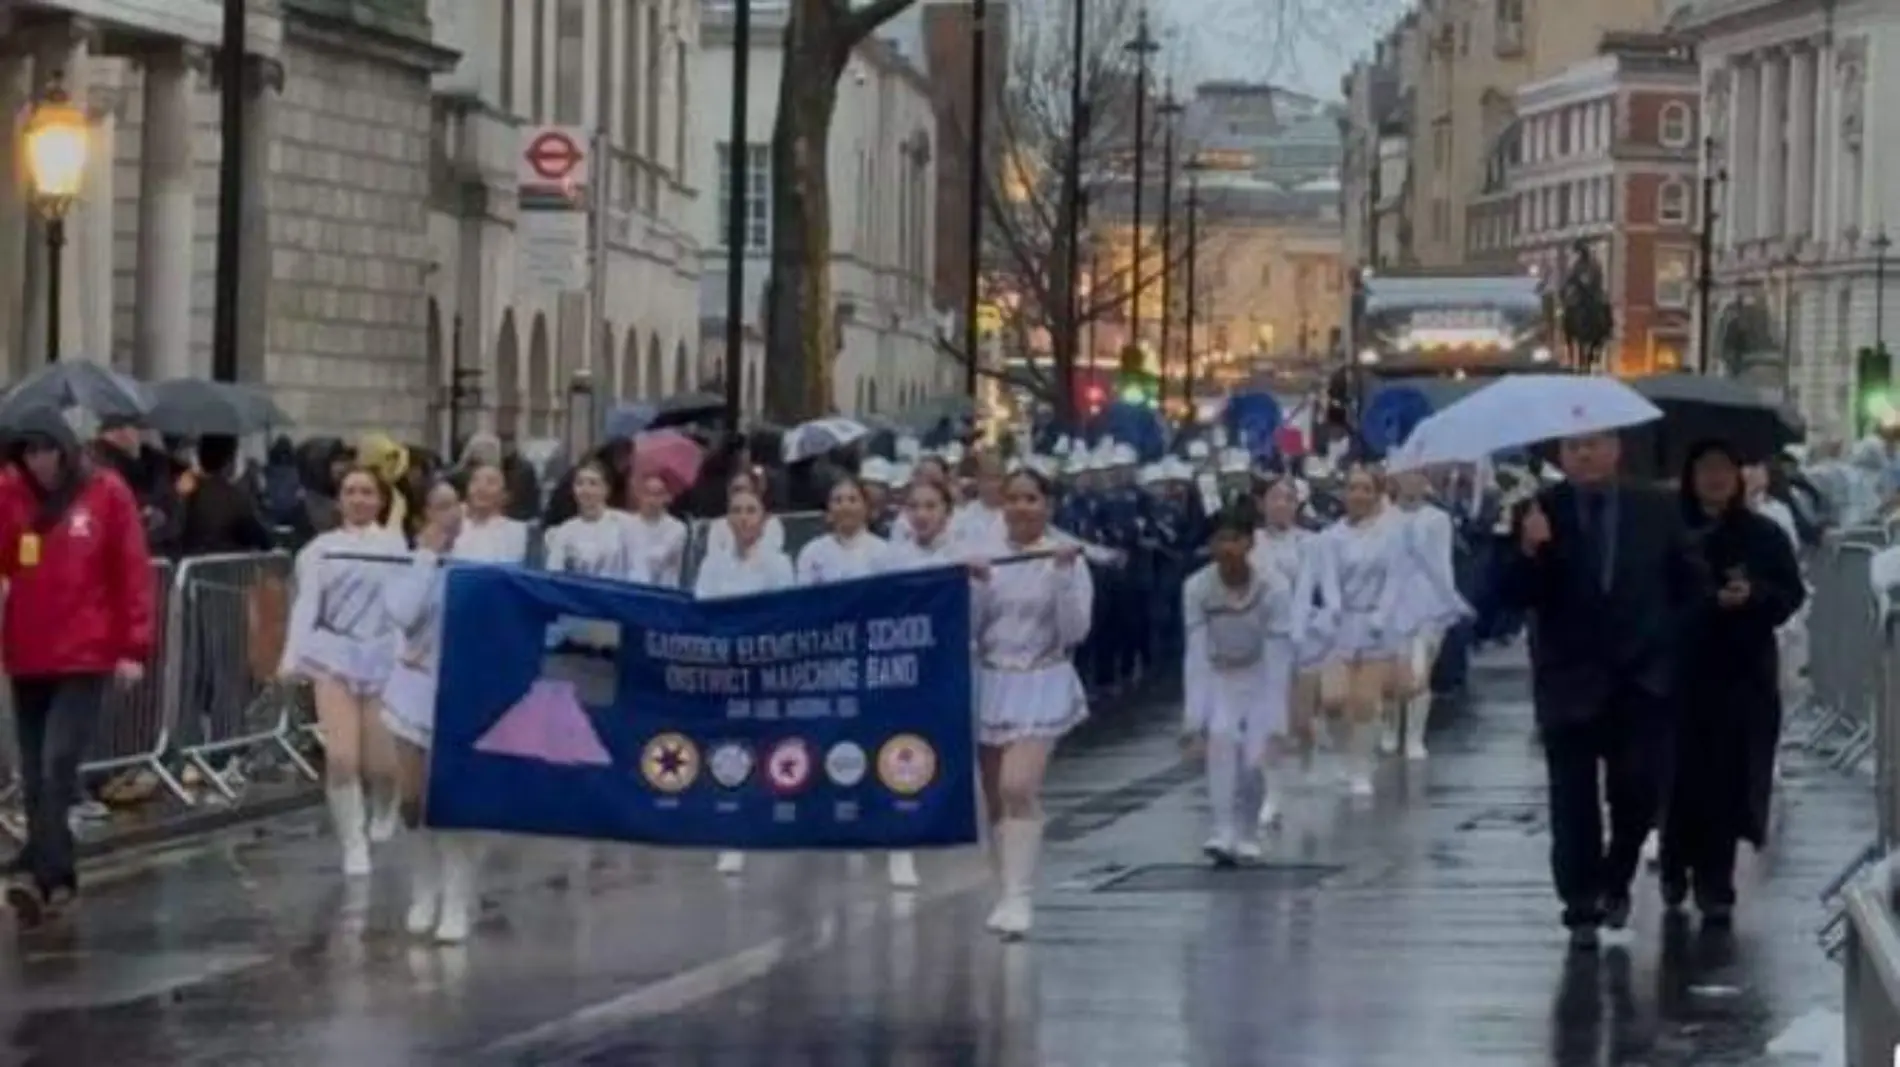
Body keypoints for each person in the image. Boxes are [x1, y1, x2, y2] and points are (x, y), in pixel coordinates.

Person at [1503, 430, 1698, 950]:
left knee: (1637, 789)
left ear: (1616, 448)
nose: (1584, 455)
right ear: (1561, 456)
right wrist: (1530, 551)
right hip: (1569, 677)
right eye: (1572, 447)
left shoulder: (1655, 508)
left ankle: (1619, 873)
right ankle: (1580, 897)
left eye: (1593, 445)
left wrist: (1670, 645)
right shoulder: (1540, 508)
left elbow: (1689, 582)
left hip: (1642, 676)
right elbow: (1511, 593)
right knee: (1572, 798)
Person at [0, 407, 155, 925]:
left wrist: (134, 647)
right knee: (35, 770)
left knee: (57, 761)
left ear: (64, 449)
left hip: (85, 653)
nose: (37, 461)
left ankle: (39, 869)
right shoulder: (10, 492)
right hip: (28, 652)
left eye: (44, 450)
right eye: (28, 452)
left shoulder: (107, 493)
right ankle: (50, 872)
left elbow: (131, 570)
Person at [1662, 441, 1804, 925]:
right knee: (1677, 777)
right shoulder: (1670, 530)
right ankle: (1675, 862)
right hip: (1679, 674)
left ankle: (1715, 880)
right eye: (1705, 469)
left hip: (1740, 675)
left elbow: (1790, 592)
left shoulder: (1761, 534)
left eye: (1724, 468)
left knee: (1726, 780)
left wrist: (1755, 596)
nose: (1715, 478)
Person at [382, 476, 529, 943]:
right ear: (424, 514)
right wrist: (426, 557)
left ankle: (457, 895)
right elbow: (403, 615)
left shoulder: (484, 548)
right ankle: (424, 886)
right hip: (412, 690)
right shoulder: (406, 555)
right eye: (441, 506)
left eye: (455, 504)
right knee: (412, 802)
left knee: (456, 800)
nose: (453, 513)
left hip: (467, 687)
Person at [968, 469, 1091, 939]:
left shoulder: (1067, 556)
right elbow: (970, 630)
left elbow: (1075, 630)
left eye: (1031, 498)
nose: (1021, 507)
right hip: (993, 679)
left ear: (1048, 505)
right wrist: (976, 585)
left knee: (1019, 787)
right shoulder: (985, 550)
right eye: (1013, 498)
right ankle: (1005, 889)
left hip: (1043, 678)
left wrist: (1061, 575)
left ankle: (1021, 898)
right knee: (994, 797)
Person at [281, 466, 410, 877]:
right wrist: (292, 656)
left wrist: (410, 656)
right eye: (350, 492)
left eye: (367, 492)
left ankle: (386, 802)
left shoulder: (395, 547)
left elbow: (406, 606)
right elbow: (306, 606)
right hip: (334, 654)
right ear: (339, 501)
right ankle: (353, 843)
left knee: (383, 765)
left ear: (380, 500)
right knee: (341, 757)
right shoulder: (319, 550)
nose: (358, 499)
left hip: (382, 656)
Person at [794, 474, 917, 888]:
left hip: (876, 660)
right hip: (831, 661)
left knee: (882, 744)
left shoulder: (887, 553)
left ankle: (898, 842)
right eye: (837, 499)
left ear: (867, 508)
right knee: (836, 743)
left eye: (852, 499)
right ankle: (844, 824)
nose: (845, 506)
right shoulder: (813, 553)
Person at [694, 482, 796, 877]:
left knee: (763, 743)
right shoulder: (713, 562)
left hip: (763, 665)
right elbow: (704, 608)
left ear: (764, 518)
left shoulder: (778, 562)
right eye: (735, 510)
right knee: (728, 745)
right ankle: (731, 833)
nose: (742, 518)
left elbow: (780, 613)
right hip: (724, 665)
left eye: (750, 510)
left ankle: (763, 820)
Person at [1182, 507, 1288, 865]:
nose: (1228, 548)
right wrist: (1193, 720)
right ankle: (1223, 830)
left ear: (1250, 542)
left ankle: (1247, 830)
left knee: (1254, 754)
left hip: (1260, 673)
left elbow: (1278, 654)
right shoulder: (1196, 588)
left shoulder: (1274, 587)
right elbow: (1195, 654)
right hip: (1220, 675)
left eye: (1236, 539)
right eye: (1220, 539)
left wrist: (1278, 721)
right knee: (1223, 739)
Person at [1317, 465, 1402, 798]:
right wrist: (1333, 607)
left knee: (1365, 701)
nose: (1359, 495)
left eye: (1366, 489)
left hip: (1375, 625)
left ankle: (1361, 767)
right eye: (1353, 488)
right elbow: (1327, 579)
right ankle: (1342, 753)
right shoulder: (1331, 537)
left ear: (1377, 493)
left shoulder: (1390, 536)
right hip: (1340, 624)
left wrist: (1382, 614)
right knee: (1334, 700)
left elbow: (1395, 579)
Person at [1251, 476, 1336, 806]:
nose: (1281, 505)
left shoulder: (1313, 542)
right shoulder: (1252, 543)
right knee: (1271, 717)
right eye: (1274, 499)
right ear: (1262, 504)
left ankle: (1309, 758)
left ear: (1297, 505)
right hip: (1267, 637)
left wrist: (1324, 621)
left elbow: (1326, 590)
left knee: (1301, 718)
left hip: (1306, 636)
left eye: (1287, 499)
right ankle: (1271, 789)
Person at [1381, 469, 1472, 760]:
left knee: (1420, 672)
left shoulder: (1438, 519)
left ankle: (1415, 737)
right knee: (1394, 671)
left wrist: (1447, 602)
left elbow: (1442, 563)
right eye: (1406, 476)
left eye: (1417, 476)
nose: (1412, 482)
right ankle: (1390, 730)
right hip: (1391, 602)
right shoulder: (1384, 517)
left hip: (1426, 600)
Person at [624, 472, 688, 587]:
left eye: (658, 494)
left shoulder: (678, 529)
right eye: (647, 493)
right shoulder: (626, 524)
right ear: (639, 496)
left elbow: (667, 567)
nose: (651, 500)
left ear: (667, 497)